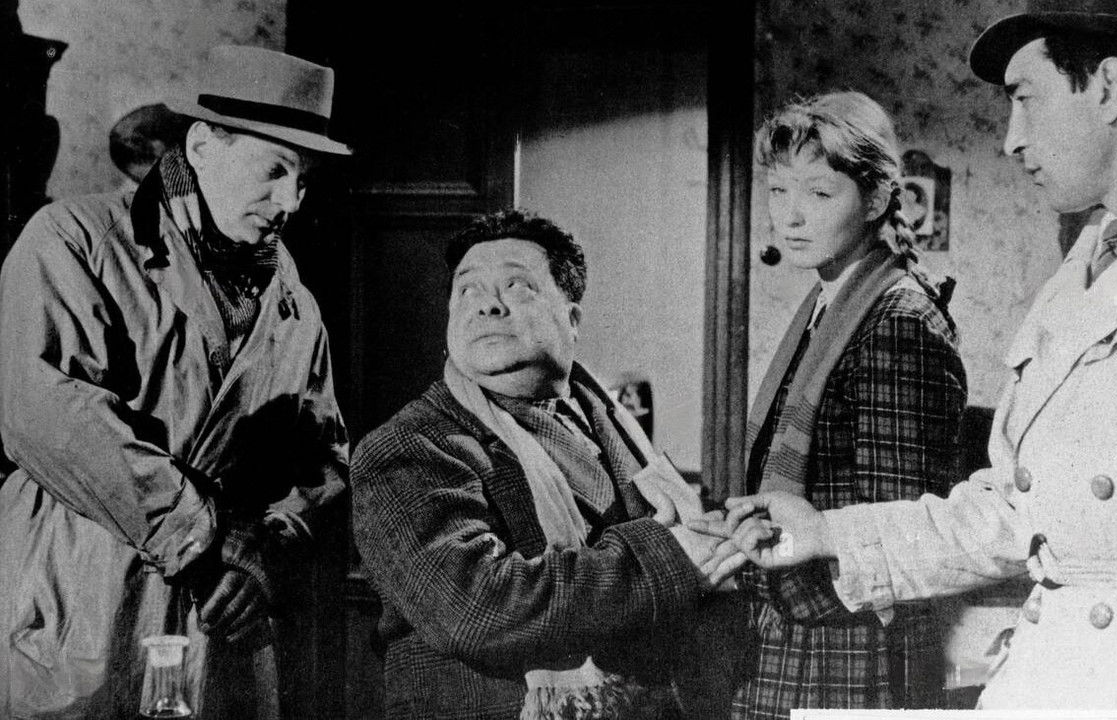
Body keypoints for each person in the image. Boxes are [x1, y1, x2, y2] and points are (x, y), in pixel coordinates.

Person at [697, 0, 1117, 709]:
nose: (1010, 139)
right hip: (1051, 674)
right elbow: (1012, 511)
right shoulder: (1083, 268)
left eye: (1025, 100)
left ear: (1107, 88)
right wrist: (829, 534)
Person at [0, 45, 351, 719]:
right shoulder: (75, 240)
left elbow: (324, 460)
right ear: (201, 147)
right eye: (275, 170)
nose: (290, 202)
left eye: (304, 181)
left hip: (222, 622)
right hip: (82, 597)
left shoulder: (293, 301)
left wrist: (262, 554)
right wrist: (198, 538)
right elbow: (43, 415)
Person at [350, 208, 738, 720]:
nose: (487, 305)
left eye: (517, 286)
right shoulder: (410, 445)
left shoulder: (609, 420)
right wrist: (670, 554)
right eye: (467, 290)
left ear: (573, 319)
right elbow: (477, 610)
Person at [725, 91, 966, 717]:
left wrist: (782, 587)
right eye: (779, 191)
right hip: (796, 635)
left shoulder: (896, 322)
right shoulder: (828, 304)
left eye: (819, 193)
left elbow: (897, 529)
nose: (791, 216)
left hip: (846, 652)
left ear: (878, 199)